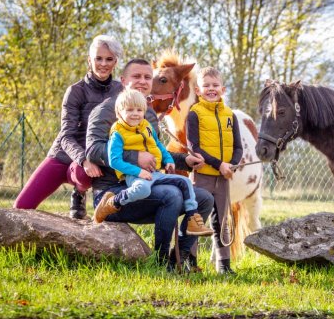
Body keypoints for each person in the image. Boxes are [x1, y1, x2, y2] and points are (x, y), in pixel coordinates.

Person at [85, 58, 214, 270]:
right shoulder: (105, 110)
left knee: (203, 199)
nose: (144, 81)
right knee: (171, 195)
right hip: (113, 194)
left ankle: (177, 259)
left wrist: (185, 161)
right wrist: (135, 157)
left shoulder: (148, 114)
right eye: (137, 76)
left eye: (148, 77)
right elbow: (93, 150)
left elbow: (156, 154)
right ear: (123, 80)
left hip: (149, 184)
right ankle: (160, 263)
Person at [13, 35, 123, 219]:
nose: (103, 63)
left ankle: (79, 192)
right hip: (63, 155)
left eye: (109, 59)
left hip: (93, 161)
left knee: (83, 174)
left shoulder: (120, 91)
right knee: (20, 208)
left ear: (116, 62)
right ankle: (79, 185)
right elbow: (66, 136)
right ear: (90, 60)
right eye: (98, 58)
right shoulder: (76, 91)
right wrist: (83, 159)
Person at [93, 87, 214, 237]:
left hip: (154, 174)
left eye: (139, 110)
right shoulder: (118, 133)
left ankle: (192, 220)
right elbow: (114, 161)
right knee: (144, 190)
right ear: (119, 113)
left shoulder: (147, 127)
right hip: (134, 176)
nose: (135, 114)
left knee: (185, 182)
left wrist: (169, 160)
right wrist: (139, 171)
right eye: (129, 110)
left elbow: (159, 146)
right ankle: (113, 202)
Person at [186, 66, 243, 274]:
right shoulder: (195, 114)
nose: (211, 89)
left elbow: (238, 147)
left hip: (223, 178)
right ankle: (189, 262)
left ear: (223, 89)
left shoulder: (230, 115)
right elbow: (194, 147)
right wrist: (219, 164)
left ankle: (224, 265)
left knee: (222, 221)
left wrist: (232, 165)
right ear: (198, 91)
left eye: (215, 85)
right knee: (197, 219)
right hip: (202, 177)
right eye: (206, 86)